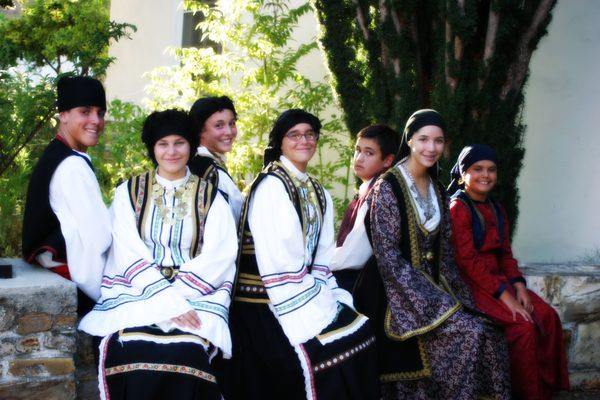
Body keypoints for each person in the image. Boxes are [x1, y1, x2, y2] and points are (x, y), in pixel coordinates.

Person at [78, 109, 238, 400]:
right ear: (153, 148)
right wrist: (165, 300)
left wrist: (178, 298)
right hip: (139, 291)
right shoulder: (129, 192)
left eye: (179, 142)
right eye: (163, 144)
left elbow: (220, 254)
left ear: (190, 145)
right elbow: (126, 250)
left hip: (196, 294)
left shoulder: (211, 196)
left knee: (187, 350)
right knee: (131, 348)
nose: (172, 151)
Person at [228, 109, 379, 400]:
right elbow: (280, 265)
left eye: (310, 134)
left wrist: (329, 298)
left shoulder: (316, 190)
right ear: (280, 142)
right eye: (294, 135)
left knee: (361, 332)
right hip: (263, 300)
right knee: (332, 353)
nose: (304, 141)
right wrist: (317, 307)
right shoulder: (272, 186)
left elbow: (322, 258)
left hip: (305, 291)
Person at [366, 109, 511, 399]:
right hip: (398, 297)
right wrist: (436, 304)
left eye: (438, 141)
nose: (431, 148)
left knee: (491, 334)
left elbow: (444, 254)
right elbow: (389, 259)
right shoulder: (388, 187)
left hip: (436, 289)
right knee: (469, 334)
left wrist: (458, 298)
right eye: (423, 139)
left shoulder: (438, 189)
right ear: (409, 140)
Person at [449, 144, 570, 400]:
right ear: (462, 174)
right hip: (473, 285)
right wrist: (506, 296)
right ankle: (523, 394)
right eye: (477, 169)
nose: (485, 175)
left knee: (548, 317)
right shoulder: (458, 209)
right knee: (523, 327)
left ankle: (545, 391)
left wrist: (518, 287)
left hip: (502, 281)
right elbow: (467, 261)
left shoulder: (496, 208)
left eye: (491, 170)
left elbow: (505, 254)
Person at [22, 75, 111, 314]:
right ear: (63, 115)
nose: (96, 120)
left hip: (59, 268)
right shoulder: (72, 167)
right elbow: (100, 238)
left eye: (100, 113)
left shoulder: (58, 153)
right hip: (84, 279)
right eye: (85, 111)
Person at [330, 124, 398, 292]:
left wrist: (317, 264)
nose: (359, 158)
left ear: (388, 160)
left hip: (362, 286)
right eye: (357, 150)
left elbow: (354, 255)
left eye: (369, 153)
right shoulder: (366, 190)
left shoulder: (377, 195)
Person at [189, 96, 243, 223]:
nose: (229, 131)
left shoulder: (191, 161)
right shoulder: (213, 172)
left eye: (232, 123)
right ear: (200, 130)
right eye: (219, 125)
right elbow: (238, 218)